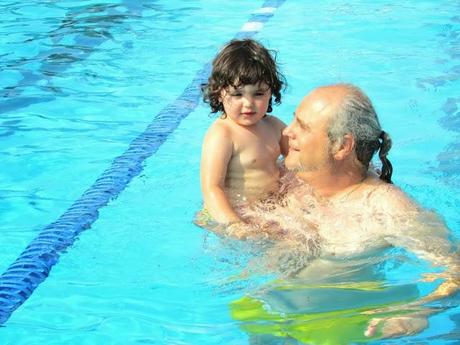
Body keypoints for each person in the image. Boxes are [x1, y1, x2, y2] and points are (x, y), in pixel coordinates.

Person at [231, 83, 460, 342]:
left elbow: (455, 270)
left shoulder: (385, 207)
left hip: (340, 323)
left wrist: (419, 310)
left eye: (302, 127)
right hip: (272, 305)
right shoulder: (293, 179)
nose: (287, 131)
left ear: (342, 145)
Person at [198, 39, 288, 229]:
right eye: (237, 94)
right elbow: (212, 188)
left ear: (271, 91)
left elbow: (301, 157)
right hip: (232, 212)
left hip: (266, 209)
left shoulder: (274, 126)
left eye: (258, 94)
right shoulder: (223, 135)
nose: (248, 103)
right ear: (220, 93)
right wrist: (234, 225)